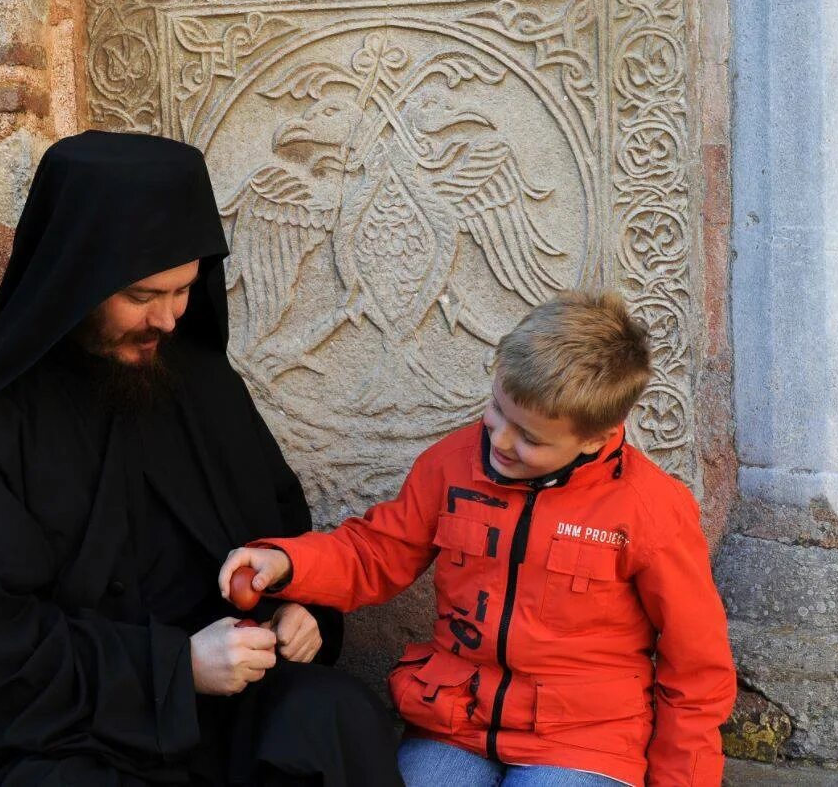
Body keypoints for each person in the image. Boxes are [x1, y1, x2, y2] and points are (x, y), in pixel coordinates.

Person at [0, 130, 402, 787]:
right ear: (74, 280)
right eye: (144, 297)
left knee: (335, 720)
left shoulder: (199, 386)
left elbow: (281, 536)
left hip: (218, 711)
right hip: (69, 732)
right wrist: (173, 670)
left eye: (183, 290)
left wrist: (301, 610)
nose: (170, 320)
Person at [220, 291, 737, 787]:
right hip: (457, 724)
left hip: (584, 741)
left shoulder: (652, 509)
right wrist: (287, 562)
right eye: (497, 411)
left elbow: (696, 670)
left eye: (531, 438)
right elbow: (375, 552)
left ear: (597, 437)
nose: (500, 442)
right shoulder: (452, 464)